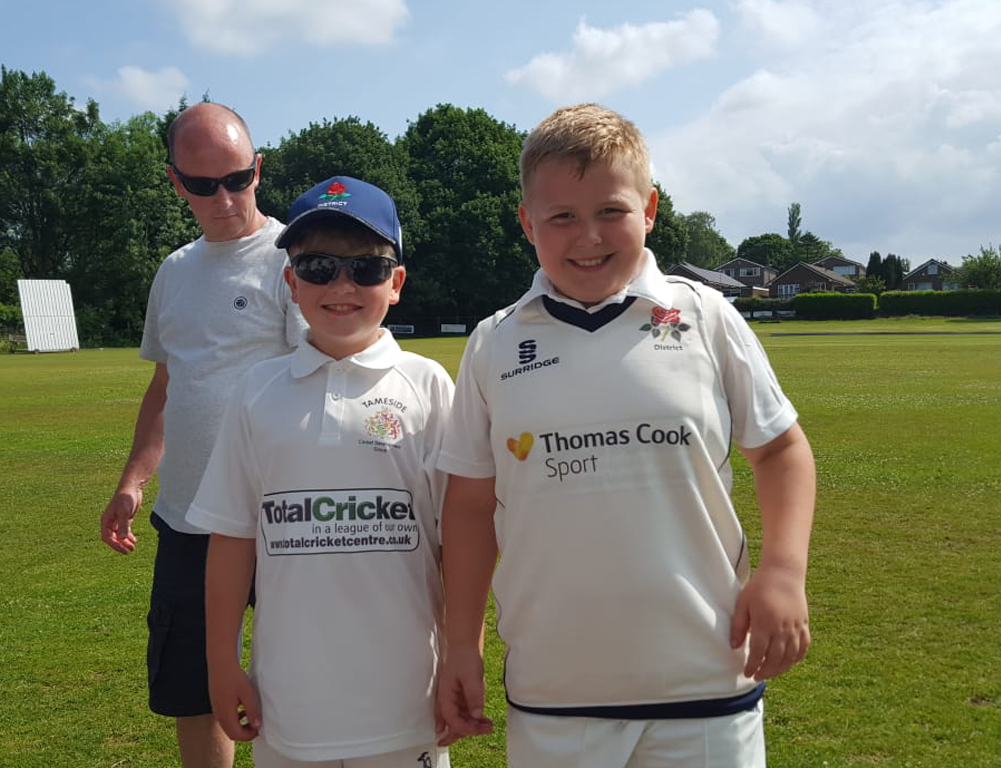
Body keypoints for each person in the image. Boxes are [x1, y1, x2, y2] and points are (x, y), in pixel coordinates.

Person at [436, 103, 816, 768]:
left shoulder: (706, 317)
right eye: (561, 216)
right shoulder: (494, 342)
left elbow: (781, 449)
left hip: (704, 682)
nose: (588, 236)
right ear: (527, 222)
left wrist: (784, 571)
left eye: (611, 211)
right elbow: (468, 506)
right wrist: (460, 644)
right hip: (555, 693)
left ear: (650, 209)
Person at [185, 176, 454, 768]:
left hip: (406, 703)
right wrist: (221, 662)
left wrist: (464, 654)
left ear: (396, 283)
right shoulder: (257, 390)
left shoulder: (428, 385)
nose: (341, 286)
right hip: (289, 707)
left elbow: (457, 544)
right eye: (319, 267)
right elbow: (231, 538)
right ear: (291, 283)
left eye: (367, 268)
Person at [100, 102, 305, 768]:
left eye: (238, 179)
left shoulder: (295, 260)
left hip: (281, 519)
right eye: (202, 184)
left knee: (301, 682)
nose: (224, 199)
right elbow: (167, 387)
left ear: (258, 169)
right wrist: (133, 481)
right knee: (194, 690)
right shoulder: (175, 271)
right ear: (175, 182)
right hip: (188, 518)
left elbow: (320, 383)